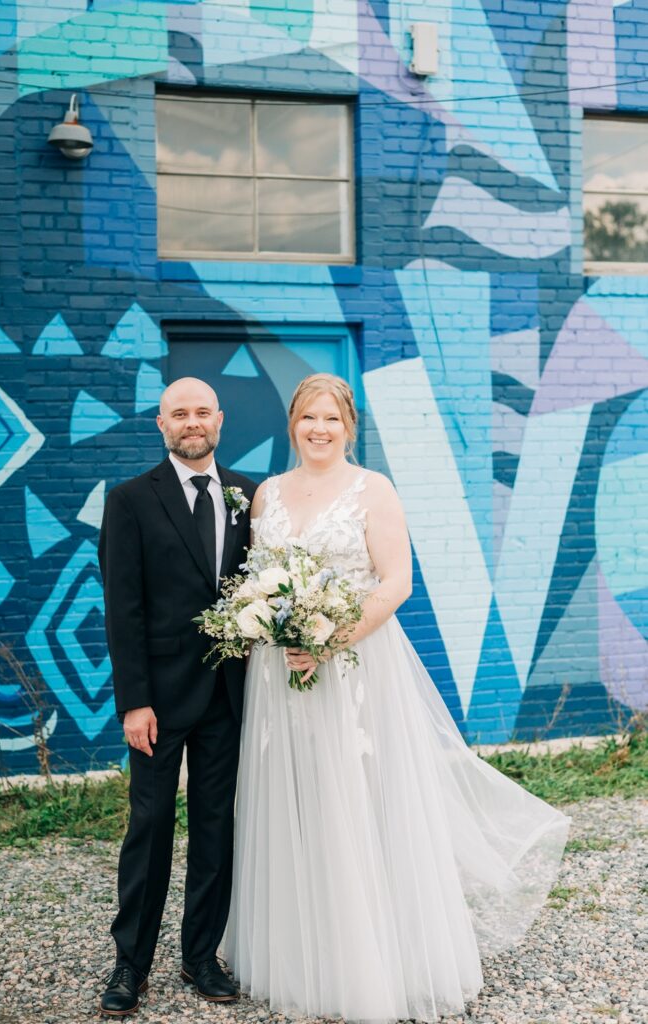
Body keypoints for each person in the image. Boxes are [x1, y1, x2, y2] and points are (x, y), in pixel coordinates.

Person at [223, 373, 570, 1024]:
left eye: (330, 419)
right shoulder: (266, 494)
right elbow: (256, 580)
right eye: (307, 419)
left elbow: (395, 582)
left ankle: (373, 962)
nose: (318, 430)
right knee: (293, 802)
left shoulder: (371, 490)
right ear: (291, 424)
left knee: (356, 802)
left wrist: (330, 638)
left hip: (353, 670)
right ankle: (301, 953)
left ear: (348, 427)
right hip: (280, 676)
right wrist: (268, 623)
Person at [97, 377, 256, 1017]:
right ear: (160, 424)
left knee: (217, 827)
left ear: (219, 419)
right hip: (158, 701)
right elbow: (122, 608)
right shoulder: (131, 499)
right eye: (178, 414)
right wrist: (135, 700)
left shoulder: (250, 497)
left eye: (201, 412)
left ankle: (199, 956)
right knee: (152, 825)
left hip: (229, 693)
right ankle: (129, 963)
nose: (192, 423)